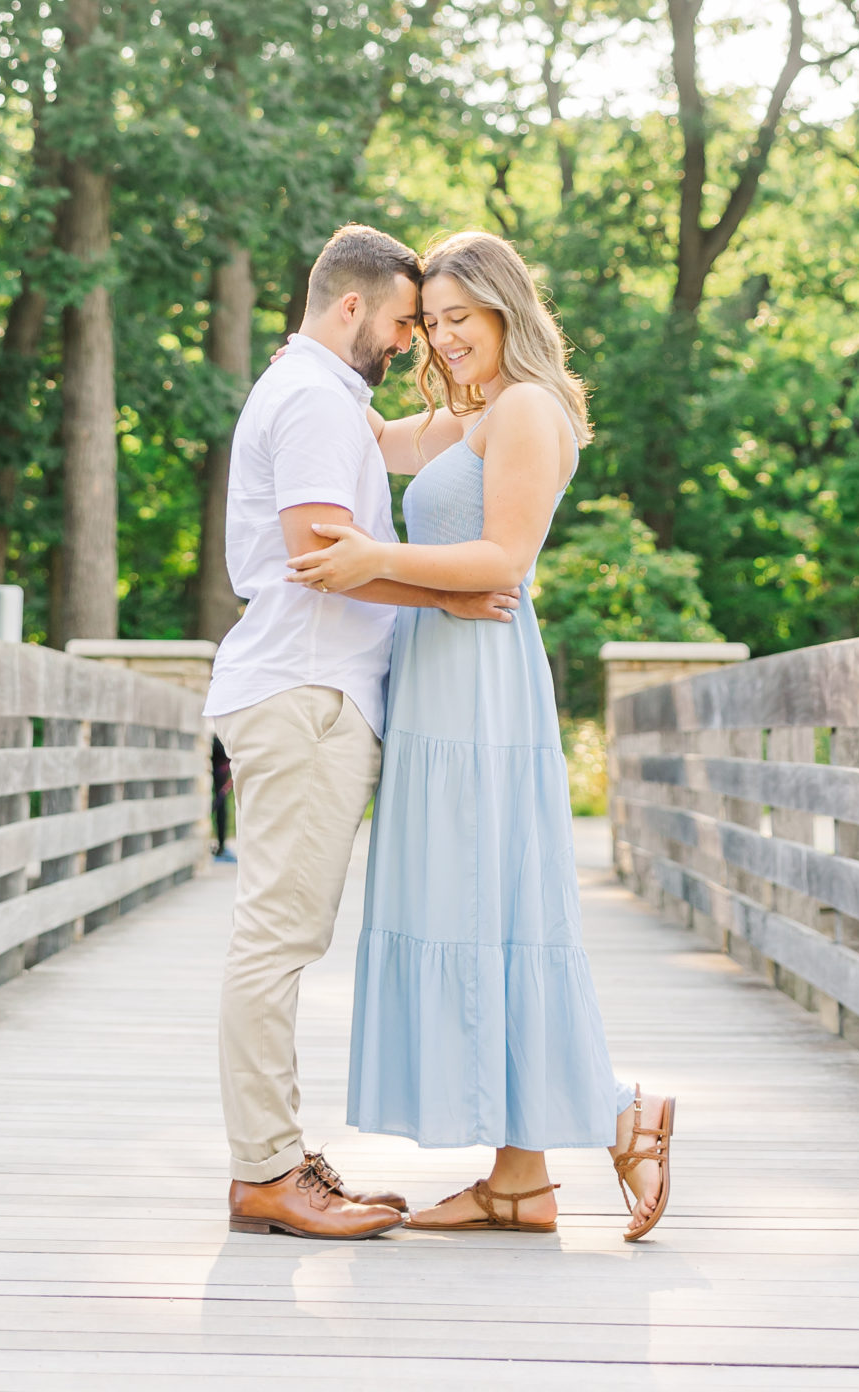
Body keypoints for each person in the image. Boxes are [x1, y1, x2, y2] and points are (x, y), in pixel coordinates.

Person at [288, 230, 673, 1243]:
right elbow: (365, 437)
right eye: (431, 320)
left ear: (508, 310)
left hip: (484, 693)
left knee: (496, 906)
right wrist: (311, 354)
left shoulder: (531, 411)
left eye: (463, 316)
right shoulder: (462, 419)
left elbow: (504, 559)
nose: (445, 336)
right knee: (464, 904)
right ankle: (518, 1182)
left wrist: (378, 558)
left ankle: (624, 1110)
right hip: (436, 683)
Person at [204, 224, 524, 1241]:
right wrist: (443, 598)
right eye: (399, 321)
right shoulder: (309, 400)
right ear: (352, 308)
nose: (407, 341)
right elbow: (314, 555)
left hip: (314, 693)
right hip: (304, 693)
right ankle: (264, 1170)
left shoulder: (328, 399)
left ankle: (279, 1156)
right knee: (278, 937)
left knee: (285, 931)